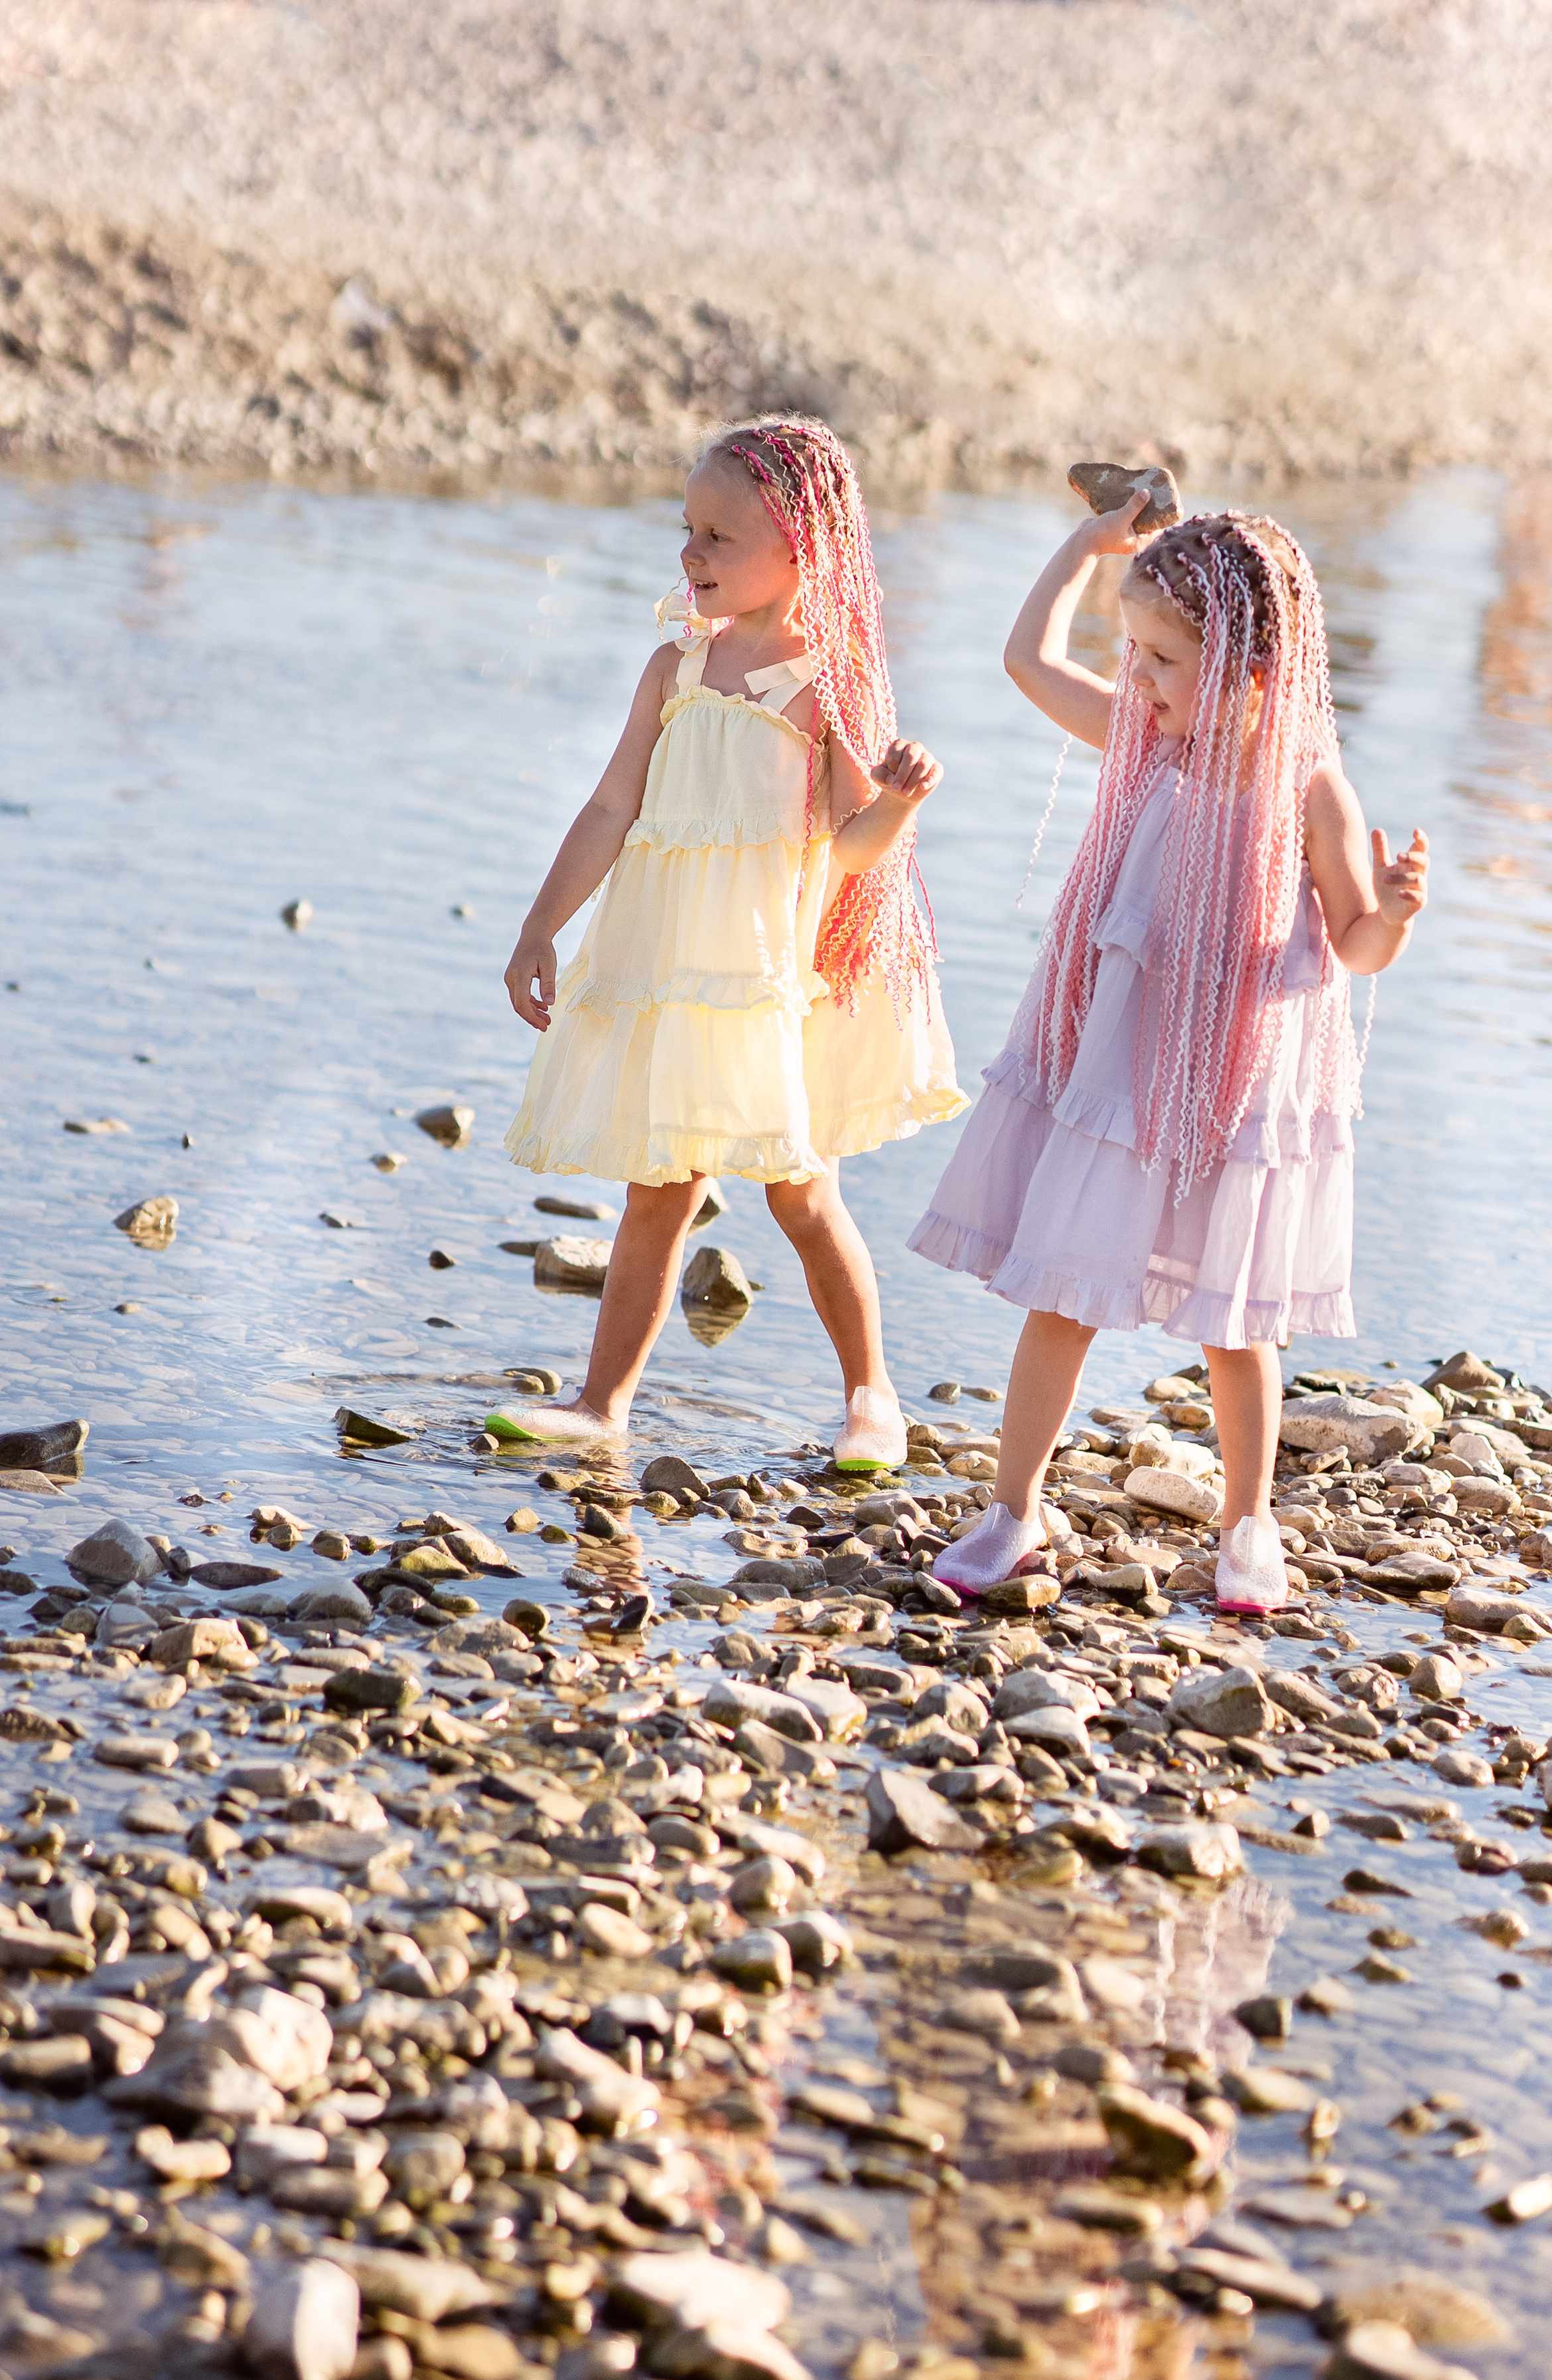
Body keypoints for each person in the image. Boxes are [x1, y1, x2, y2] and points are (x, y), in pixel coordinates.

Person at [909, 493, 1430, 1613]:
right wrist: (1085, 552)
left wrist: (1392, 911)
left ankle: (1249, 1526)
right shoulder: (1144, 744)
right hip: (1118, 1076)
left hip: (1232, 1088)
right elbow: (1023, 658)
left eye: (1160, 658)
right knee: (1063, 1295)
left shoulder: (1309, 791)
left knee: (1236, 1324)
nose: (1135, 679)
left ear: (1246, 668)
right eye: (1132, 653)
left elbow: (1357, 948)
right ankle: (1015, 1508)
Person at [489, 415, 965, 1468]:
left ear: (803, 552)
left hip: (759, 982)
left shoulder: (821, 683)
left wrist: (897, 804)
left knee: (802, 1195)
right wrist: (539, 925)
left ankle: (872, 1397)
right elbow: (612, 809)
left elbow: (850, 846)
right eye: (688, 530)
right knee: (657, 1192)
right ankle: (603, 1404)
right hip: (664, 978)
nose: (689, 555)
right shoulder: (674, 668)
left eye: (718, 537)